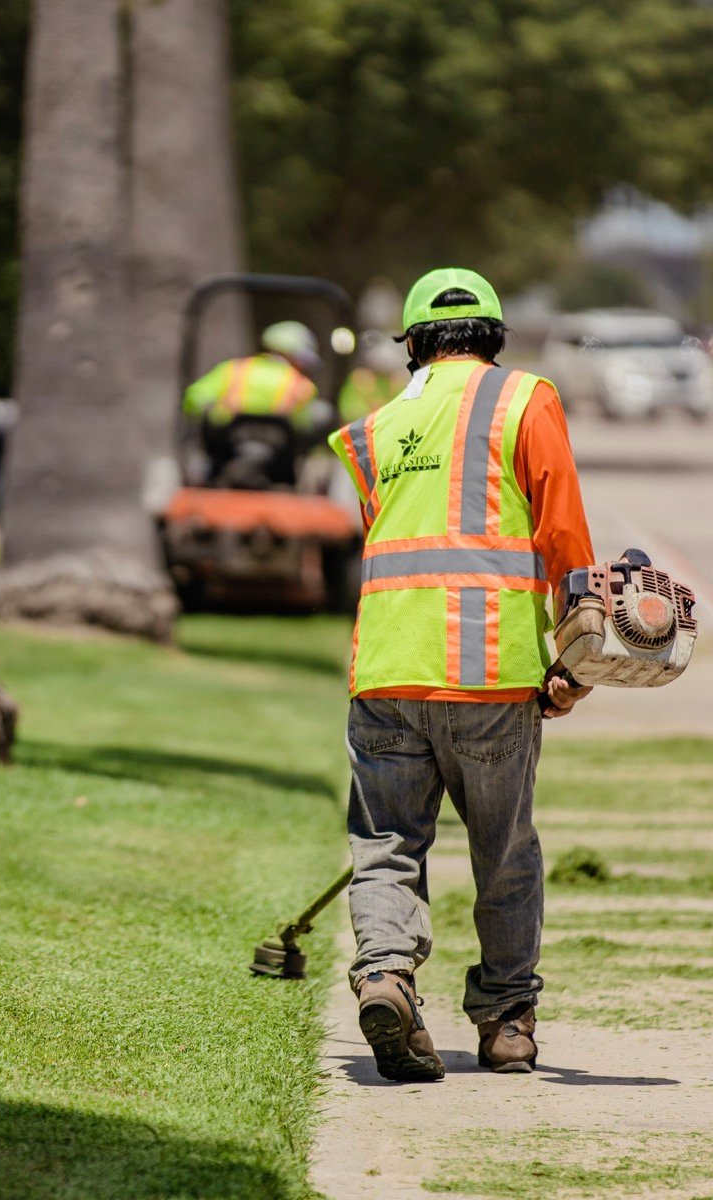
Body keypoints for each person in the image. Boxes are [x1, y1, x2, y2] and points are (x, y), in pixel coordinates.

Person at [326, 267, 595, 1080]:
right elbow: (564, 538)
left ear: (412, 345)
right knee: (504, 852)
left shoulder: (374, 427)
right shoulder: (525, 401)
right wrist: (575, 659)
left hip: (386, 672)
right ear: (495, 338)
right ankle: (508, 1020)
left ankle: (384, 974)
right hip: (488, 677)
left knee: (385, 845)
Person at [182, 320, 324, 429]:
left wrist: (213, 413)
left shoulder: (233, 368)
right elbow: (306, 425)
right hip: (278, 454)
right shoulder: (301, 384)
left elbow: (194, 398)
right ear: (293, 356)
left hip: (225, 445)